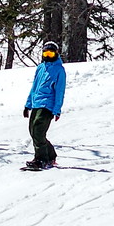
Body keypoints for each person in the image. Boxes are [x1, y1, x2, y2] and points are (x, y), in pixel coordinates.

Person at [21, 40, 66, 171]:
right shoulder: (41, 68)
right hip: (36, 103)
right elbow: (34, 87)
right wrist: (27, 105)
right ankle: (50, 155)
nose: (47, 56)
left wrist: (57, 110)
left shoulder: (59, 70)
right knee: (33, 130)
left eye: (51, 53)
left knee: (38, 130)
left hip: (48, 105)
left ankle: (41, 159)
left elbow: (60, 92)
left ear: (56, 54)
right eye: (45, 53)